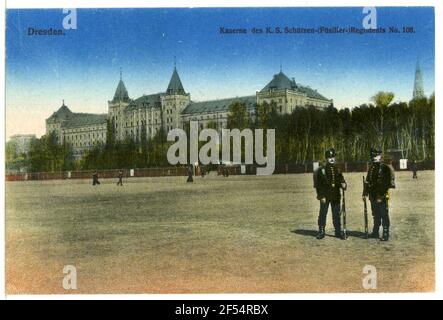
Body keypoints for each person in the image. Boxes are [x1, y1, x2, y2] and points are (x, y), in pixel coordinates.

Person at [313, 148, 347, 240]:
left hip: (335, 195)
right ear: (326, 158)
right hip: (325, 195)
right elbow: (318, 185)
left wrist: (344, 184)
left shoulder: (337, 169)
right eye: (329, 157)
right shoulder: (322, 170)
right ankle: (321, 231)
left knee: (336, 214)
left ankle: (338, 231)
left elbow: (341, 179)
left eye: (333, 157)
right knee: (323, 213)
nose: (331, 159)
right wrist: (321, 196)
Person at [362, 147, 395, 241]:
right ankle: (375, 232)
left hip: (381, 195)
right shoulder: (371, 168)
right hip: (372, 195)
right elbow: (368, 182)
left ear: (380, 156)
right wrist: (365, 193)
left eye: (376, 155)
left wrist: (381, 196)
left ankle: (385, 233)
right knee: (375, 214)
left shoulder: (384, 168)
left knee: (384, 214)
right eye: (372, 155)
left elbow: (386, 184)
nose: (374, 157)